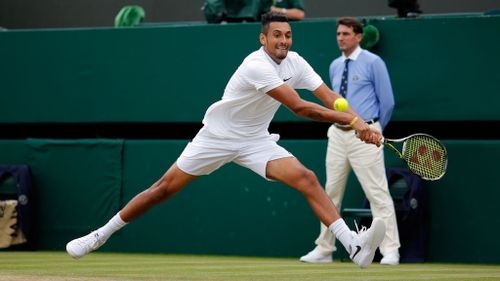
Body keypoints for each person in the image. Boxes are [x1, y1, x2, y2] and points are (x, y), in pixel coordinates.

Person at [66, 12, 385, 269]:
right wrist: (354, 121)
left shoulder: (296, 62)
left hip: (255, 140)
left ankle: (354, 247)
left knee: (306, 178)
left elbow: (328, 96)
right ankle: (99, 235)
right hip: (217, 137)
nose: (283, 41)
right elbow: (300, 107)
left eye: (287, 35)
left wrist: (362, 124)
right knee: (161, 189)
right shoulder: (256, 65)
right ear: (263, 38)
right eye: (277, 35)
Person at [300, 17, 399, 265]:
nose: (340, 38)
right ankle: (325, 248)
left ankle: (390, 251)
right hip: (337, 134)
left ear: (358, 36)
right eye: (338, 34)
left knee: (377, 192)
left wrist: (374, 131)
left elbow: (387, 102)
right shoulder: (335, 66)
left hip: (366, 136)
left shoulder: (374, 62)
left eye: (345, 34)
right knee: (329, 192)